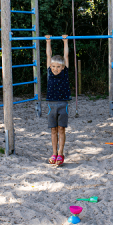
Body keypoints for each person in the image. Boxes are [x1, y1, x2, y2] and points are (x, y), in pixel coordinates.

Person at [45, 35, 71, 166]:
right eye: (53, 66)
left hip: (63, 105)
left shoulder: (64, 73)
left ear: (62, 68)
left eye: (58, 67)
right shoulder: (49, 72)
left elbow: (66, 57)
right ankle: (54, 153)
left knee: (61, 129)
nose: (55, 69)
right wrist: (48, 42)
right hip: (51, 105)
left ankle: (61, 153)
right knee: (53, 130)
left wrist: (65, 42)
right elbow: (48, 56)